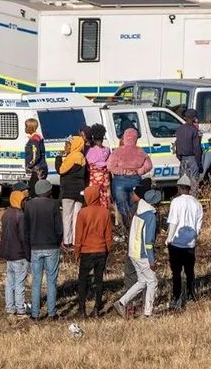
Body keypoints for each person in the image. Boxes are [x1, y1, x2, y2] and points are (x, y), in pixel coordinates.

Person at [114, 185, 161, 319]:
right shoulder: (150, 216)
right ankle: (148, 313)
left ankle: (121, 302)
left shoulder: (139, 212)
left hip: (133, 252)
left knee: (142, 281)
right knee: (152, 281)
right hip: (143, 254)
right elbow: (149, 240)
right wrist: (151, 260)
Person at [24, 179, 62, 320]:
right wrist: (58, 241)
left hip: (35, 247)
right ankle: (52, 313)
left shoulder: (29, 205)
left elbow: (26, 229)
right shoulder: (54, 204)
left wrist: (28, 247)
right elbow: (59, 227)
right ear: (47, 191)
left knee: (36, 282)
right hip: (51, 246)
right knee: (51, 281)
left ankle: (35, 314)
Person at [73, 183, 112, 318]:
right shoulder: (105, 212)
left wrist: (77, 252)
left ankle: (82, 309)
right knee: (99, 280)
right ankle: (96, 309)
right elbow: (108, 235)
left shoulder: (83, 213)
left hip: (87, 251)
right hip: (101, 250)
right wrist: (107, 250)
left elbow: (79, 236)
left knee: (83, 280)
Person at [166, 175, 203, 309]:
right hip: (190, 243)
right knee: (190, 271)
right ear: (189, 188)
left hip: (176, 242)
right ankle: (191, 295)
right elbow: (198, 226)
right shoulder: (197, 203)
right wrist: (193, 237)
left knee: (176, 273)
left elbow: (173, 222)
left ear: (179, 188)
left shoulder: (176, 202)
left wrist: (169, 239)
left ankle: (177, 297)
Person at [107, 127, 153, 222]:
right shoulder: (141, 151)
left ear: (124, 138)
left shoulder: (117, 151)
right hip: (136, 180)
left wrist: (122, 171)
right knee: (134, 206)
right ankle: (134, 225)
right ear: (136, 139)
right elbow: (149, 166)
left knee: (122, 207)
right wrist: (138, 171)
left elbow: (110, 166)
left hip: (120, 181)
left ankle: (125, 226)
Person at [0, 182, 30, 316]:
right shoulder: (20, 216)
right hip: (19, 254)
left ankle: (10, 308)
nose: (24, 202)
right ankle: (20, 309)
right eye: (23, 200)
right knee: (20, 284)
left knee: (10, 282)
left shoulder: (6, 214)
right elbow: (24, 237)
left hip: (8, 254)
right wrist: (28, 255)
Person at [56, 134, 87, 247]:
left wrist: (58, 158)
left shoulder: (72, 157)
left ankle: (67, 241)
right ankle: (76, 241)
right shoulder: (82, 157)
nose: (65, 147)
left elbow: (61, 170)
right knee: (76, 217)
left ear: (73, 145)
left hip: (68, 191)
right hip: (80, 191)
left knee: (67, 216)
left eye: (67, 145)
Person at [174, 109, 203, 193]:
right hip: (192, 159)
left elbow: (177, 144)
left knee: (183, 181)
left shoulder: (179, 129)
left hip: (182, 158)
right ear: (194, 118)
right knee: (193, 182)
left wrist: (180, 157)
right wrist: (199, 163)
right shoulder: (194, 130)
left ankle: (183, 196)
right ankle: (193, 198)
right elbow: (197, 148)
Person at [84, 124, 112, 210]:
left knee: (94, 198)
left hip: (94, 178)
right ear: (102, 138)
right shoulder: (107, 150)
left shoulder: (89, 150)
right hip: (105, 178)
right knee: (105, 198)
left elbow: (87, 163)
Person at [24, 118, 47, 195]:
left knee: (33, 191)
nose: (25, 128)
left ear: (31, 127)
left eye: (26, 126)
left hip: (37, 169)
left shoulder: (34, 139)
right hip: (40, 167)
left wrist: (29, 165)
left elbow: (35, 155)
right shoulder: (36, 137)